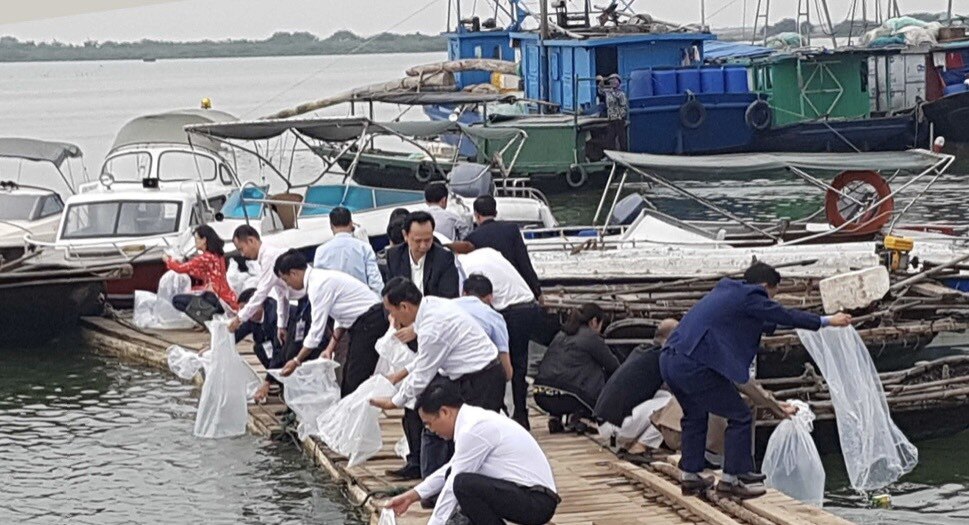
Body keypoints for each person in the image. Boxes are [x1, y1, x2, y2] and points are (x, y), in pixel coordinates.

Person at [661, 262, 851, 498]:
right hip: (693, 364)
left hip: (670, 359)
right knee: (740, 415)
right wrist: (826, 321)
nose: (770, 301)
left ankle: (690, 477)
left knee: (695, 415)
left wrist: (772, 403)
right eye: (773, 294)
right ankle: (732, 479)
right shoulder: (752, 295)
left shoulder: (728, 293)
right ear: (764, 286)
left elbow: (771, 320)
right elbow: (783, 315)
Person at [371, 277, 505, 481]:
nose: (392, 317)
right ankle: (437, 486)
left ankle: (457, 489)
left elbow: (423, 374)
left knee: (473, 438)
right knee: (435, 427)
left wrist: (394, 401)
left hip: (482, 379)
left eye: (392, 311)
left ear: (404, 307)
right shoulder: (431, 305)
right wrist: (399, 376)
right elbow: (425, 359)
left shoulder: (433, 327)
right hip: (464, 376)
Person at [384, 380, 559, 525]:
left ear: (445, 412)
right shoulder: (471, 422)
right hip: (523, 493)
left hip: (537, 502)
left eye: (429, 424)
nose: (430, 430)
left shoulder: (474, 429)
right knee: (458, 480)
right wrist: (413, 495)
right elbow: (452, 469)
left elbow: (454, 483)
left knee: (463, 484)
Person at [274, 249, 390, 396]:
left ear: (293, 273)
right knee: (349, 375)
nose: (288, 285)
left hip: (371, 321)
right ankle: (352, 411)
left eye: (286, 280)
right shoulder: (319, 278)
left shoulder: (318, 285)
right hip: (362, 323)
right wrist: (330, 349)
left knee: (354, 378)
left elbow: (316, 331)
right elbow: (341, 319)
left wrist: (297, 360)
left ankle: (354, 413)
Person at [457, 247, 542, 428]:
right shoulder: (488, 252)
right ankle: (520, 414)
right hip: (528, 304)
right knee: (520, 364)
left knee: (501, 362)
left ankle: (502, 409)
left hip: (510, 310)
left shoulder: (460, 267)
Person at [595, 318, 678, 458]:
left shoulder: (641, 351)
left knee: (663, 396)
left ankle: (632, 442)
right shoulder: (663, 358)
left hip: (604, 423)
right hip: (616, 428)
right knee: (673, 403)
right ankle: (640, 446)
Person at [534, 303, 620, 430]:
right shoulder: (591, 337)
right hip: (568, 397)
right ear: (594, 321)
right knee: (598, 368)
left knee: (570, 366)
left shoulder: (561, 334)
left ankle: (555, 416)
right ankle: (583, 415)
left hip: (540, 393)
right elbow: (613, 366)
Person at [227, 225, 290, 342]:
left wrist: (240, 318)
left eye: (241, 249)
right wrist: (282, 324)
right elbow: (281, 293)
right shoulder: (267, 257)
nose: (242, 255)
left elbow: (261, 292)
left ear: (251, 240)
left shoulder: (269, 257)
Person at [166, 224, 238, 320]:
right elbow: (204, 274)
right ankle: (208, 316)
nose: (195, 242)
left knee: (177, 300)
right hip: (226, 299)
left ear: (204, 240)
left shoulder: (206, 257)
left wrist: (168, 260)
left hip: (215, 298)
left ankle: (205, 318)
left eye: (196, 239)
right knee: (196, 292)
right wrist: (187, 266)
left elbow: (179, 269)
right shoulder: (218, 256)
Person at [386, 211, 459, 299]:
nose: (423, 246)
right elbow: (390, 294)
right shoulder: (394, 256)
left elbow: (449, 297)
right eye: (418, 241)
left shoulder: (444, 258)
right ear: (405, 235)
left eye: (428, 240)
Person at [313, 206, 383, 294]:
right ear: (351, 223)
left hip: (335, 304)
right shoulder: (364, 248)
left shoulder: (321, 251)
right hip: (362, 301)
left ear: (331, 225)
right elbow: (375, 282)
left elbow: (318, 285)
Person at [234, 288, 282, 402]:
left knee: (279, 354)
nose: (245, 314)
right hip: (270, 348)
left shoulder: (275, 315)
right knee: (258, 348)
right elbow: (237, 334)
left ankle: (278, 381)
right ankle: (280, 383)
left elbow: (278, 350)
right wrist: (214, 346)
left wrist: (266, 382)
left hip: (288, 350)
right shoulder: (251, 317)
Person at [597, 73, 628, 151]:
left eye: (615, 81)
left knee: (622, 138)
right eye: (612, 81)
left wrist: (621, 116)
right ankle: (611, 154)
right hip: (611, 118)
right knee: (610, 138)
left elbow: (624, 106)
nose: (613, 82)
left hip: (619, 119)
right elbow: (600, 90)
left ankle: (624, 153)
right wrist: (601, 80)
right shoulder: (608, 92)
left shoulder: (621, 94)